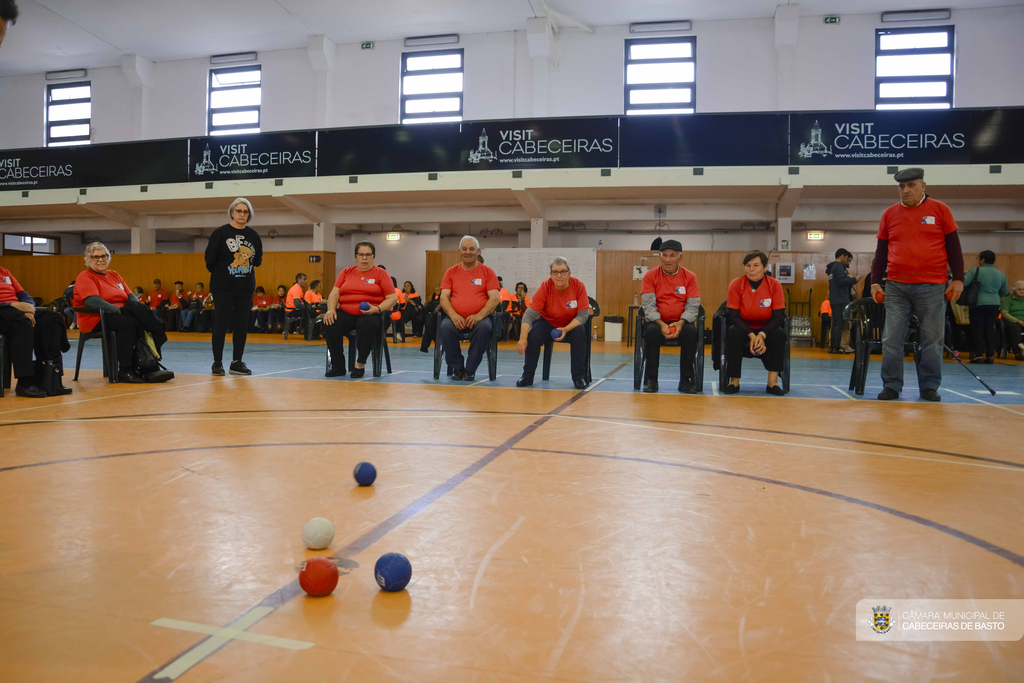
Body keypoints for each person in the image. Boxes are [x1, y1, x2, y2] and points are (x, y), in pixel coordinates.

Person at [870, 168, 964, 401]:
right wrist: (875, 282)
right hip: (896, 286)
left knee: (932, 340)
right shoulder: (889, 214)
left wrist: (958, 279)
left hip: (933, 286)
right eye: (901, 186)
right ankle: (891, 385)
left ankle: (929, 386)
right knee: (891, 339)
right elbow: (881, 252)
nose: (906, 190)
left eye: (911, 185)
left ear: (923, 185)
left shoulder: (941, 210)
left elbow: (954, 248)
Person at [72, 242, 147, 384]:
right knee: (127, 323)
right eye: (95, 257)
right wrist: (119, 310)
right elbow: (93, 301)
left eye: (103, 256)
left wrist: (134, 308)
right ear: (88, 259)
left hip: (118, 314)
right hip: (94, 318)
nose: (100, 260)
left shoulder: (114, 274)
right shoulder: (85, 276)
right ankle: (124, 370)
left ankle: (144, 365)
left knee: (143, 320)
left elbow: (130, 295)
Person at [205, 197, 263, 376]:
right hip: (223, 287)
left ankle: (237, 361)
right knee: (221, 324)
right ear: (232, 212)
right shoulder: (220, 233)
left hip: (245, 288)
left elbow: (258, 260)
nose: (242, 214)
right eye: (239, 211)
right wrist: (224, 274)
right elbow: (209, 260)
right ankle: (217, 362)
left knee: (241, 325)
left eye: (245, 212)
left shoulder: (253, 235)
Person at [323, 241, 396, 378]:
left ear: (373, 257)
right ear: (356, 257)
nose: (364, 258)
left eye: (368, 255)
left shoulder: (381, 274)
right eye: (361, 255)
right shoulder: (346, 272)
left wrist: (377, 309)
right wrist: (331, 310)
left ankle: (360, 363)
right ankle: (338, 366)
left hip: (374, 313)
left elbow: (392, 298)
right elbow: (334, 294)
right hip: (347, 313)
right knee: (329, 322)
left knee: (367, 324)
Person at [516, 257, 590, 389]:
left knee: (580, 334)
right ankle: (527, 376)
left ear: (569, 273)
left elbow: (583, 315)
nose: (559, 275)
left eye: (563, 271)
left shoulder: (578, 286)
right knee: (533, 335)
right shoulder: (545, 287)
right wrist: (522, 338)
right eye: (555, 272)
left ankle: (579, 377)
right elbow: (529, 315)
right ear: (551, 274)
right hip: (548, 322)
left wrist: (566, 329)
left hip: (571, 325)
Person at [639, 239, 701, 394]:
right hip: (656, 322)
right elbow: (648, 305)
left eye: (672, 256)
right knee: (651, 332)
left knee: (691, 333)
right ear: (660, 256)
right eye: (664, 255)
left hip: (682, 321)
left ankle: (686, 380)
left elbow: (693, 306)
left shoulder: (690, 277)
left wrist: (680, 323)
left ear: (680, 257)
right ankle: (651, 379)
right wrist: (661, 324)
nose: (667, 259)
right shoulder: (650, 276)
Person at [723, 250, 787, 395]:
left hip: (767, 328)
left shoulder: (775, 285)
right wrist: (752, 335)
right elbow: (734, 315)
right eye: (748, 265)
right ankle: (734, 381)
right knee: (733, 333)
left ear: (765, 267)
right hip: (743, 327)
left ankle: (772, 383)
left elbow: (778, 316)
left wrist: (762, 335)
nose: (751, 269)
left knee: (779, 335)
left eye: (756, 265)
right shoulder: (736, 284)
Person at [0, 264, 68, 397]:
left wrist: (29, 307)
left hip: (18, 311)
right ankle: (24, 382)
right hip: (5, 312)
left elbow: (23, 294)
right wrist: (13, 306)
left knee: (51, 318)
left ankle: (51, 379)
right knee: (22, 323)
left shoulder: (4, 272)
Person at [438, 236, 500, 381]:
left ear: (478, 251)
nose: (468, 252)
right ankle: (458, 368)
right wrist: (453, 315)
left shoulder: (488, 272)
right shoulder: (451, 272)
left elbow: (494, 299)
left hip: (480, 319)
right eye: (464, 249)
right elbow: (443, 298)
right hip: (454, 319)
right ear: (459, 251)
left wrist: (478, 316)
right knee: (445, 328)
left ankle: (470, 369)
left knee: (484, 328)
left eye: (472, 249)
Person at [963, 251, 1009, 364]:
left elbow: (963, 283)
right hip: (994, 304)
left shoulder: (975, 270)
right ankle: (990, 356)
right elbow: (1005, 292)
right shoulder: (1001, 274)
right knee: (990, 329)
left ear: (982, 259)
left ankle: (978, 355)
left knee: (977, 329)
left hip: (977, 303)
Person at [826, 248, 857, 354]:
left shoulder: (832, 268)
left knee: (835, 324)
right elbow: (840, 281)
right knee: (840, 324)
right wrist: (854, 280)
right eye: (847, 259)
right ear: (842, 256)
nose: (847, 262)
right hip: (841, 299)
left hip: (834, 299)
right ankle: (837, 347)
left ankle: (833, 347)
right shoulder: (839, 267)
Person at [1000, 280, 1024, 361]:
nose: (1022, 291)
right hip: (1012, 321)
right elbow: (1004, 313)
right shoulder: (1008, 299)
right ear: (1014, 290)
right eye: (1019, 289)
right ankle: (1017, 353)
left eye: (1023, 289)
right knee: (1015, 328)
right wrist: (1017, 321)